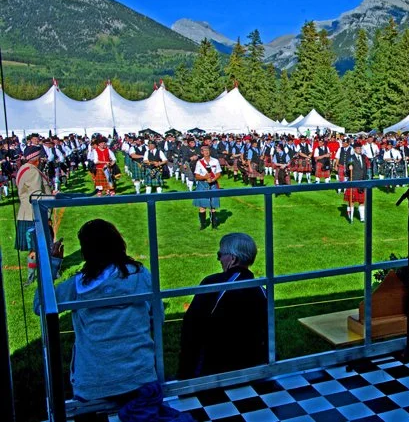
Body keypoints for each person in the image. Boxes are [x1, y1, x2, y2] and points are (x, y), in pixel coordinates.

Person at [33, 220, 192, 422]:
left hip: (93, 382)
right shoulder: (140, 274)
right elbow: (158, 317)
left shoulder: (78, 285)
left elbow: (40, 304)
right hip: (139, 376)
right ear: (118, 243)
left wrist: (53, 263)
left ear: (86, 251)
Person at [177, 233, 267, 379]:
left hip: (214, 370)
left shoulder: (214, 284)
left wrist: (184, 373)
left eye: (220, 255)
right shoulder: (261, 290)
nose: (219, 259)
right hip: (252, 368)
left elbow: (191, 328)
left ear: (233, 259)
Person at [16, 145, 53, 285]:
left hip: (28, 214)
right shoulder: (32, 172)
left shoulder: (24, 169)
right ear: (36, 159)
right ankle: (36, 277)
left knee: (35, 248)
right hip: (34, 215)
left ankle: (35, 276)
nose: (43, 159)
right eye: (41, 157)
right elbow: (36, 196)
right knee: (37, 248)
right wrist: (53, 199)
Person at [193, 145, 222, 230]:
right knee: (202, 206)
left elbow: (218, 173)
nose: (206, 152)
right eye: (204, 150)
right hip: (202, 185)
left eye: (207, 150)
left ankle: (214, 225)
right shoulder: (199, 162)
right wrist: (205, 177)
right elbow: (197, 176)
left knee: (213, 206)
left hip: (213, 184)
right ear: (202, 152)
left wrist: (213, 179)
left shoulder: (215, 161)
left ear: (210, 151)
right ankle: (203, 225)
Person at [344, 142, 368, 223]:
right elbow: (348, 168)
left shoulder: (363, 157)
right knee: (351, 201)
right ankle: (350, 217)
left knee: (362, 201)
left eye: (360, 148)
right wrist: (349, 167)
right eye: (358, 148)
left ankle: (362, 218)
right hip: (353, 181)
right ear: (354, 149)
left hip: (362, 181)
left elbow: (364, 169)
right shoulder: (351, 157)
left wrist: (365, 178)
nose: (359, 149)